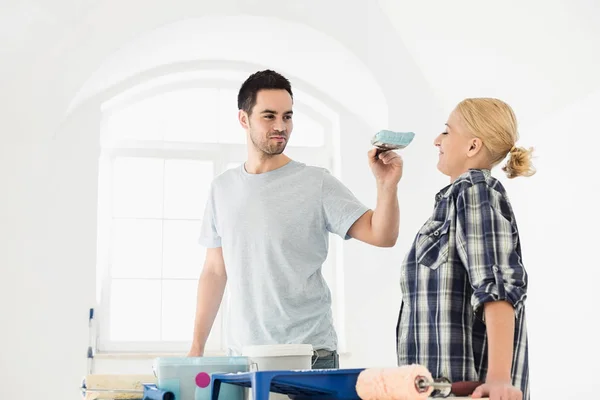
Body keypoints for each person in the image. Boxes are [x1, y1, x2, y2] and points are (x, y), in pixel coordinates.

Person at [188, 69, 403, 369]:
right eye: (269, 116)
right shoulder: (222, 189)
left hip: (310, 354)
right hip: (244, 358)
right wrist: (196, 348)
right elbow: (214, 271)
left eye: (288, 116)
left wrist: (386, 186)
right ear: (243, 119)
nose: (281, 126)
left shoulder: (316, 182)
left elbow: (382, 235)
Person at [396, 98, 534, 400]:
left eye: (446, 132)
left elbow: (498, 288)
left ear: (473, 146)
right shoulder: (454, 200)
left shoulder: (475, 191)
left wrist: (499, 380)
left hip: (469, 392)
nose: (437, 140)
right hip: (435, 391)